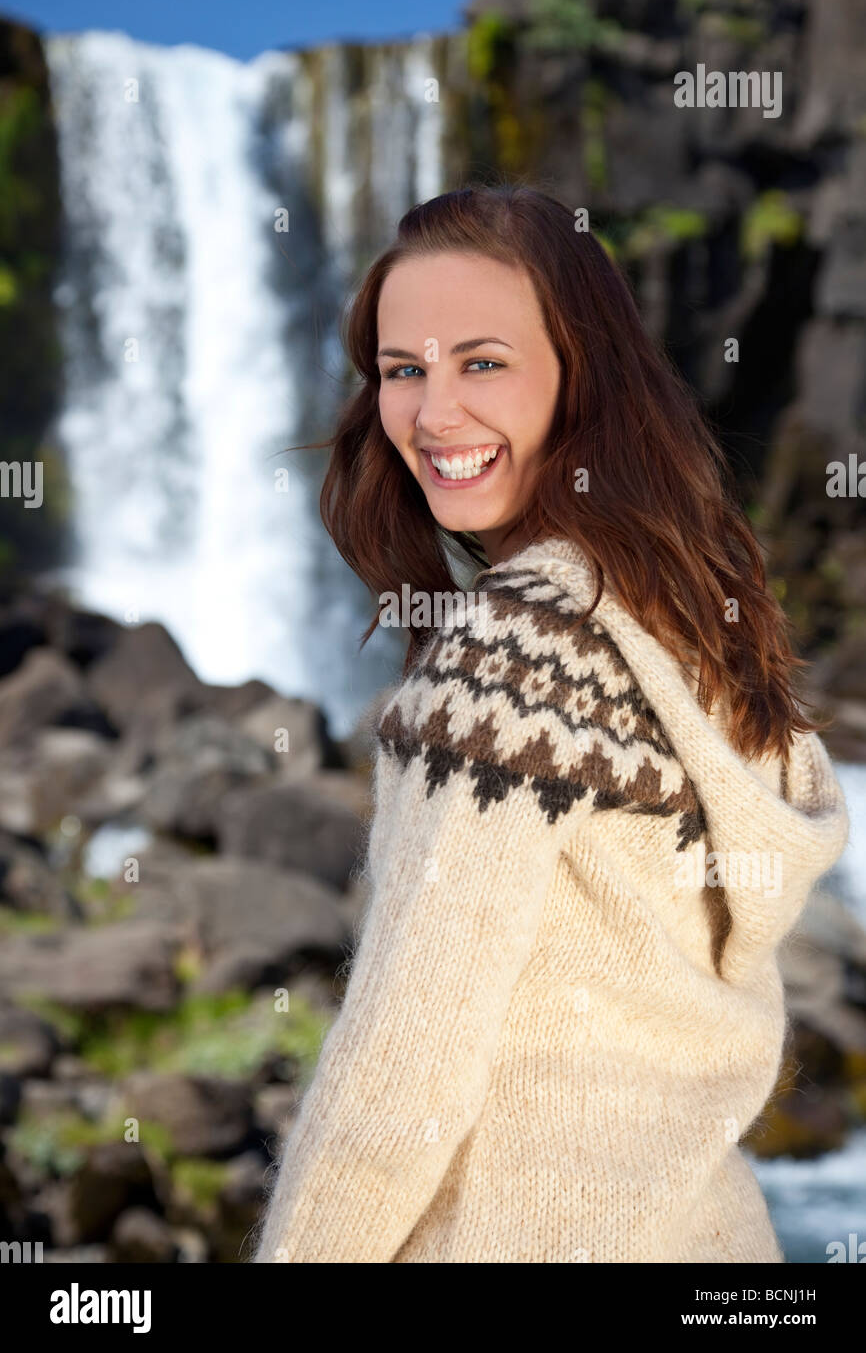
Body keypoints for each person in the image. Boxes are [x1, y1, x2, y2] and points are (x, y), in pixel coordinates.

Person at [247, 182, 849, 1263]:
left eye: (481, 361)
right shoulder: (687, 625)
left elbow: (400, 1073)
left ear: (583, 373)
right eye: (401, 371)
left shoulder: (513, 654)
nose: (433, 415)